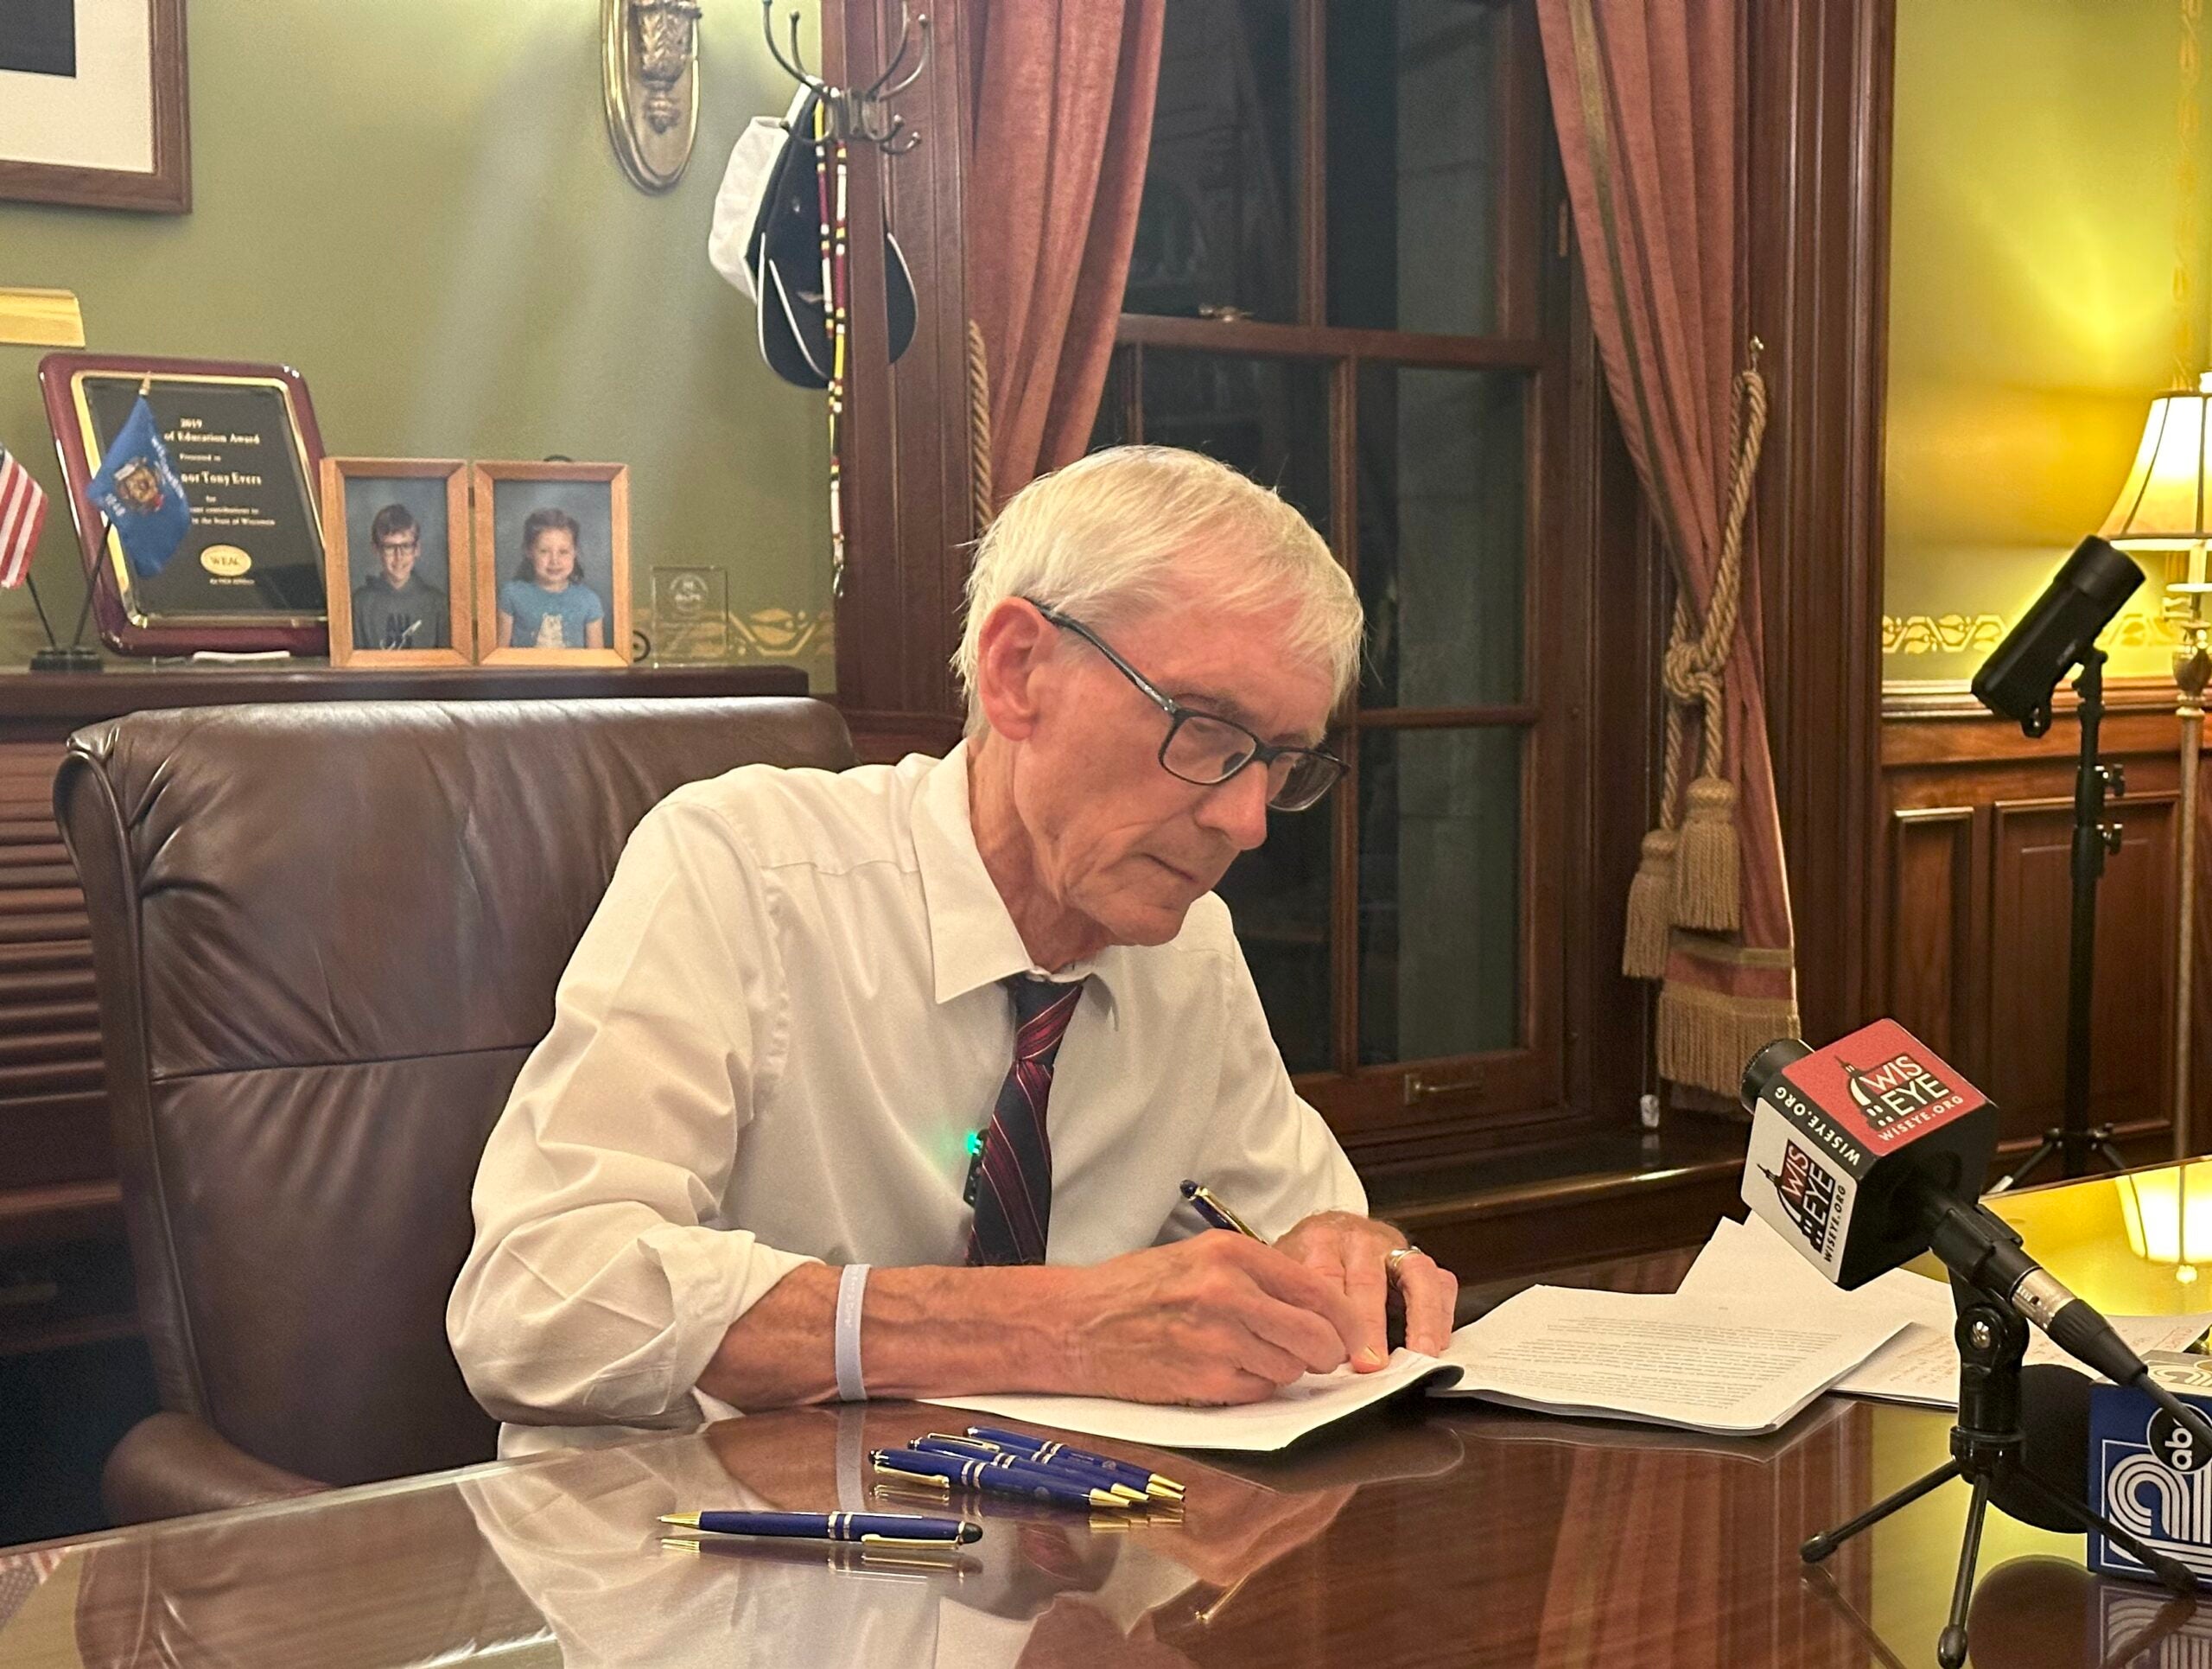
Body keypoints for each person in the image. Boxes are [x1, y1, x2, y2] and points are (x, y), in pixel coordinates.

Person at [448, 445, 1458, 1428]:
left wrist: (1343, 1255)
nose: (1246, 820)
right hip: (715, 1526)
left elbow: (1302, 1228)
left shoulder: (1190, 947)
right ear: (1018, 669)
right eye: (1203, 729)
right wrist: (1056, 1328)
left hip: (1074, 1524)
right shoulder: (746, 868)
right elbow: (537, 1304)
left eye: (1280, 763)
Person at [496, 507, 607, 650]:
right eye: (544, 551)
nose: (554, 561)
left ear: (575, 552)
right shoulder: (512, 594)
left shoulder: (589, 601)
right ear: (529, 551)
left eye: (563, 552)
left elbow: (597, 658)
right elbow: (499, 653)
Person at [352, 503, 449, 650]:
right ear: (376, 550)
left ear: (417, 549)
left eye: (406, 546)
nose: (399, 557)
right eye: (389, 547)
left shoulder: (436, 603)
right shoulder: (360, 604)